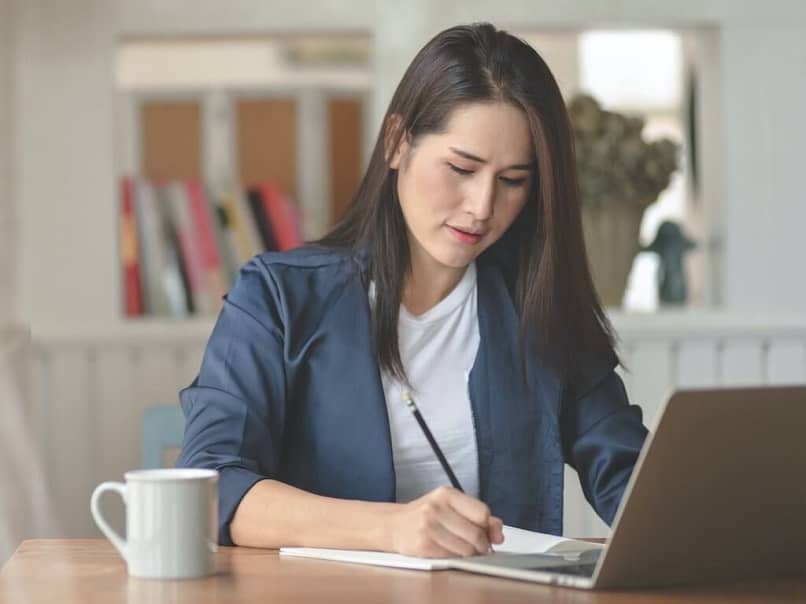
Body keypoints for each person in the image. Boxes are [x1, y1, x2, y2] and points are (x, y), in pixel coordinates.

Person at [177, 22, 648, 558]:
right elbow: (211, 485)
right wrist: (391, 529)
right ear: (398, 142)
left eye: (513, 180)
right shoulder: (277, 299)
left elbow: (630, 478)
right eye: (461, 168)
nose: (482, 206)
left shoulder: (538, 309)